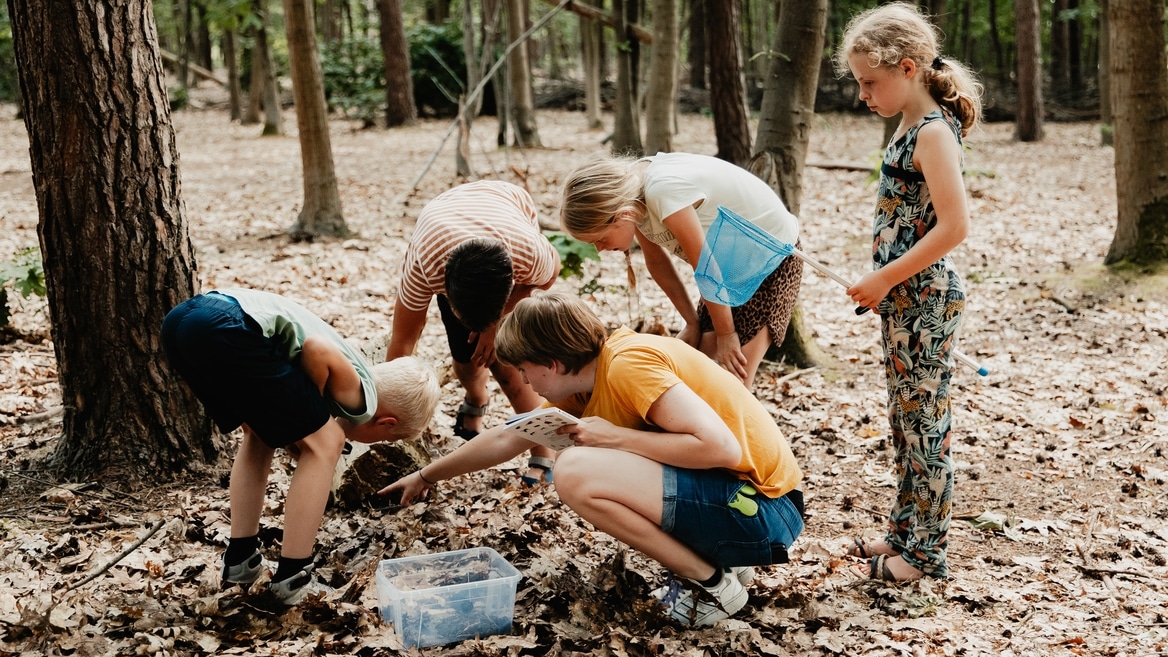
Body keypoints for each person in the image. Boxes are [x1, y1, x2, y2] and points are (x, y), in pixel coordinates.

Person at [383, 293, 804, 627]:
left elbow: (722, 449)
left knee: (573, 470)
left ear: (552, 362)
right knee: (581, 460)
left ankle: (711, 583)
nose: (526, 382)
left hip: (765, 511)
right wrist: (425, 475)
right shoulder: (582, 384)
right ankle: (726, 563)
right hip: (743, 504)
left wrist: (616, 438)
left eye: (526, 371)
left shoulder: (627, 365)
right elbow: (510, 435)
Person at [161, 288, 441, 604]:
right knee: (328, 442)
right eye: (386, 440)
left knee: (259, 435)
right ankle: (293, 576)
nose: (376, 443)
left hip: (184, 323)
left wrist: (301, 422)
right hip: (226, 324)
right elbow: (316, 349)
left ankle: (242, 561)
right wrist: (315, 413)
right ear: (387, 423)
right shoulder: (364, 399)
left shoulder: (355, 368)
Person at [835, 1, 982, 582]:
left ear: (908, 68)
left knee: (926, 424)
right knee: (903, 419)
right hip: (901, 300)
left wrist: (886, 276)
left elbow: (955, 226)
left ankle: (925, 556)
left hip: (925, 300)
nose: (863, 94)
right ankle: (904, 532)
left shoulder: (934, 133)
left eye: (870, 82)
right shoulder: (903, 125)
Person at [559, 152, 802, 388]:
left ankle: (739, 428)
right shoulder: (634, 197)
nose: (599, 249)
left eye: (599, 239)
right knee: (699, 366)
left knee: (735, 378)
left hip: (770, 258)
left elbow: (704, 265)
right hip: (727, 269)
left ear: (623, 215)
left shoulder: (663, 191)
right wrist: (692, 322)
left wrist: (726, 334)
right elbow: (657, 262)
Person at [386, 180, 562, 485]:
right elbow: (403, 340)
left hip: (508, 210)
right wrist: (386, 404)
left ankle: (543, 451)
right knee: (467, 361)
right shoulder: (424, 267)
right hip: (445, 234)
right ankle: (476, 398)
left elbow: (546, 281)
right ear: (447, 295)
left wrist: (497, 326)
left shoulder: (529, 255)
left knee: (510, 365)